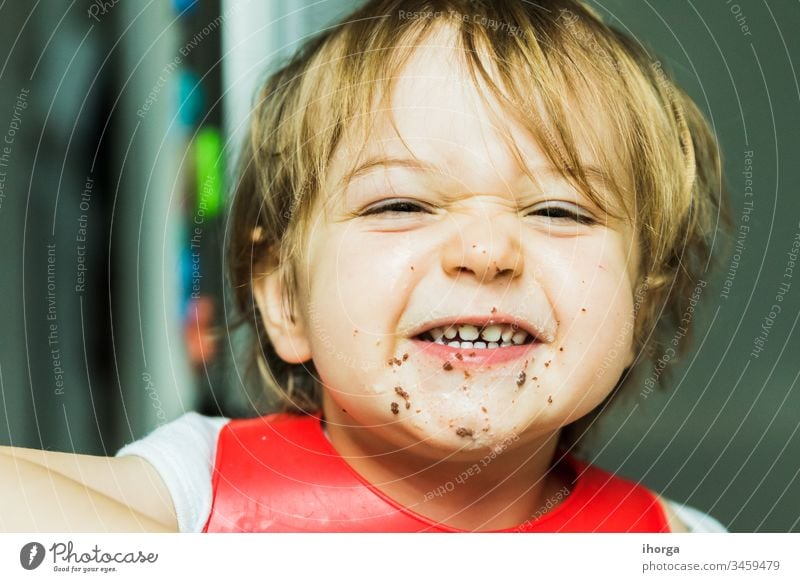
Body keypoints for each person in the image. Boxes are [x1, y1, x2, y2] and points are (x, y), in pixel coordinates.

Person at [0, 0, 729, 533]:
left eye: (557, 213)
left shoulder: (682, 544)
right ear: (286, 298)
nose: (485, 253)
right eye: (401, 205)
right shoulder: (200, 485)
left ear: (641, 306)